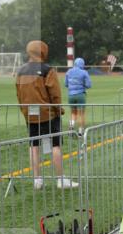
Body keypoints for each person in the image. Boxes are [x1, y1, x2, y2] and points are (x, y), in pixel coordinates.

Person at [16, 41, 78, 190]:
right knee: (55, 145)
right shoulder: (47, 70)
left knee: (34, 146)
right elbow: (55, 94)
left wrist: (24, 111)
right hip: (48, 113)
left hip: (30, 114)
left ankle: (37, 180)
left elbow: (19, 94)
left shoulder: (21, 71)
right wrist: (58, 110)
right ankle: (60, 179)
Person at [65, 57, 92, 134]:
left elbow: (66, 84)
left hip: (71, 95)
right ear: (82, 64)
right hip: (81, 95)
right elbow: (89, 85)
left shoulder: (68, 72)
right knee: (81, 114)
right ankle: (81, 131)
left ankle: (71, 128)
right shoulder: (84, 72)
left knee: (73, 113)